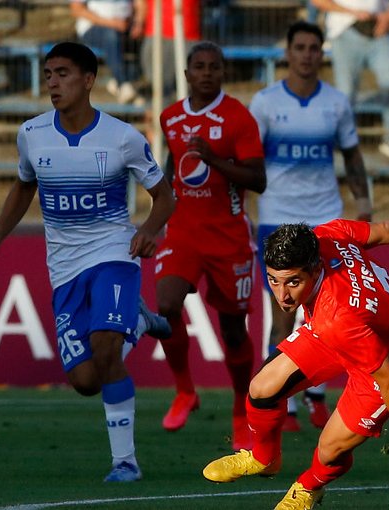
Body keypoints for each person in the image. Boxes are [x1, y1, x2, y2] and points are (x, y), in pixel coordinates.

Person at [0, 42, 176, 482]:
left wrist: (147, 231)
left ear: (88, 80)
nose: (53, 82)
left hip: (113, 254)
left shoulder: (122, 137)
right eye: (48, 74)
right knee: (86, 379)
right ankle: (139, 323)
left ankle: (126, 463)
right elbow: (24, 185)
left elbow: (164, 196)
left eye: (62, 73)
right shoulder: (32, 134)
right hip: (64, 267)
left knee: (106, 347)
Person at [202, 219, 389, 510]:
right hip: (348, 331)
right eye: (273, 280)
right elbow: (388, 230)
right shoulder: (326, 235)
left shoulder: (337, 317)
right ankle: (264, 459)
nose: (282, 295)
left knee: (330, 449)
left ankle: (307, 488)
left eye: (293, 282)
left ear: (315, 270)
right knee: (262, 388)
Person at [249, 20, 373, 432]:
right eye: (299, 47)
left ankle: (317, 398)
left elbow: (352, 157)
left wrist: (364, 203)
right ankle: (281, 407)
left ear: (322, 53)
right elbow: (250, 162)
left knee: (331, 314)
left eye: (313, 48)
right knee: (282, 316)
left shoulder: (336, 103)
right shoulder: (264, 103)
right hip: (276, 217)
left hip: (324, 220)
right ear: (288, 53)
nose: (306, 54)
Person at [154, 41, 266, 452]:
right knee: (165, 307)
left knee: (233, 331)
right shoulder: (171, 117)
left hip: (229, 238)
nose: (206, 73)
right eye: (198, 67)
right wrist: (155, 223)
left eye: (213, 67)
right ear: (186, 74)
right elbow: (171, 170)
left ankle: (241, 409)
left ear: (222, 73)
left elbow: (257, 179)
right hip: (183, 232)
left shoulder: (238, 117)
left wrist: (214, 159)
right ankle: (185, 390)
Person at [310, 0, 389, 163]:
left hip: (379, 30)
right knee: (346, 92)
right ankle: (344, 140)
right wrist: (351, 13)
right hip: (345, 32)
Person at [70, 0, 145, 104]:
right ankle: (123, 84)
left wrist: (138, 23)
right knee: (111, 36)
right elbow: (76, 10)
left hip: (125, 29)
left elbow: (139, 4)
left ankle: (118, 80)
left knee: (147, 46)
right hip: (93, 28)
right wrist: (111, 23)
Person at [136, 0, 202, 107]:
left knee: (188, 87)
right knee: (158, 87)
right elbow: (141, 3)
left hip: (188, 34)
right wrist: (139, 22)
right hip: (156, 34)